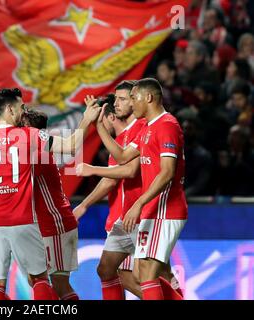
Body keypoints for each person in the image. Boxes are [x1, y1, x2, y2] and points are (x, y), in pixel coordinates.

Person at [0, 87, 100, 299]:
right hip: (24, 220)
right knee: (40, 280)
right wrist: (86, 120)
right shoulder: (30, 135)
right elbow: (71, 147)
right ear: (9, 109)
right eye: (21, 106)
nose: (24, 111)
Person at [79, 78, 188, 300]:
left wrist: (138, 203)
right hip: (150, 210)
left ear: (148, 98)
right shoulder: (148, 127)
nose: (131, 103)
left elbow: (167, 173)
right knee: (138, 274)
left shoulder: (167, 125)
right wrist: (98, 125)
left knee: (145, 275)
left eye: (133, 98)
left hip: (164, 209)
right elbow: (122, 156)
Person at [75, 81, 145, 299]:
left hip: (138, 215)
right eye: (116, 100)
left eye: (122, 99)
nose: (117, 105)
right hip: (124, 217)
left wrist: (91, 170)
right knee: (108, 270)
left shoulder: (139, 131)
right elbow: (111, 179)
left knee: (144, 276)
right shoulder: (122, 140)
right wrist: (84, 205)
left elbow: (126, 172)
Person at [21, 109, 79, 300]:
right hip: (47, 224)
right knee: (37, 280)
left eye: (21, 124)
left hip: (55, 224)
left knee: (58, 283)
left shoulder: (37, 154)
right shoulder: (36, 151)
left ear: (29, 128)